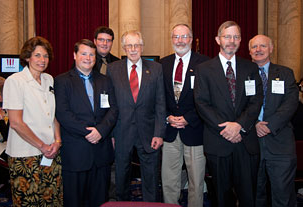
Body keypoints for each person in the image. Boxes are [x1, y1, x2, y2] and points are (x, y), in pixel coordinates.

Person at [193, 21, 263, 207]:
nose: (231, 41)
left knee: (249, 196)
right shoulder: (204, 69)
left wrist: (239, 126)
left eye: (236, 37)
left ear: (240, 40)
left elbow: (256, 101)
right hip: (218, 141)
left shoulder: (251, 68)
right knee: (221, 198)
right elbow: (201, 103)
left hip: (245, 142)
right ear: (218, 39)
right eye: (227, 36)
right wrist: (226, 128)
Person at [55, 39, 118, 207]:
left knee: (99, 200)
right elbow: (63, 113)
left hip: (101, 152)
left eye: (92, 54)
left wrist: (101, 131)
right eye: (84, 54)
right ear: (74, 55)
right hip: (75, 152)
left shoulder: (105, 80)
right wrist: (88, 132)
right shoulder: (62, 81)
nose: (88, 58)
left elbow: (113, 110)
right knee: (75, 201)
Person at [2, 36, 63, 206]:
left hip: (51, 152)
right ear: (27, 57)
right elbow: (16, 123)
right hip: (26, 155)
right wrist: (42, 146)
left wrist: (57, 141)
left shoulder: (49, 79)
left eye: (45, 56)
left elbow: (54, 115)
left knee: (52, 199)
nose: (42, 60)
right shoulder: (15, 82)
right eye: (37, 55)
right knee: (29, 201)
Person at [107, 30, 166, 202]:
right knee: (121, 178)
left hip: (149, 133)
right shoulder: (113, 69)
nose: (133, 49)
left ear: (142, 46)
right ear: (124, 48)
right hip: (121, 132)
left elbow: (160, 103)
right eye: (129, 45)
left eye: (137, 45)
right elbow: (110, 105)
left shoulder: (156, 69)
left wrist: (159, 133)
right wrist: (111, 134)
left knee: (151, 178)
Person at [160, 23, 209, 206]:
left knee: (196, 181)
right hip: (170, 130)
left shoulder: (205, 63)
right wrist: (167, 117)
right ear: (171, 39)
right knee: (169, 179)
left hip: (195, 130)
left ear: (191, 39)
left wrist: (189, 118)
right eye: (176, 37)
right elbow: (159, 97)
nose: (180, 41)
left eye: (184, 37)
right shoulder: (162, 64)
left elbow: (208, 99)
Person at [249, 34, 298, 207]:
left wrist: (269, 126)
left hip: (280, 145)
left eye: (262, 46)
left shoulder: (285, 73)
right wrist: (253, 123)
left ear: (271, 49)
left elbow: (291, 103)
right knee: (254, 195)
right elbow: (236, 105)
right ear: (249, 51)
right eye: (254, 47)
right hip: (251, 144)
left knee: (282, 195)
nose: (258, 50)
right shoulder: (243, 75)